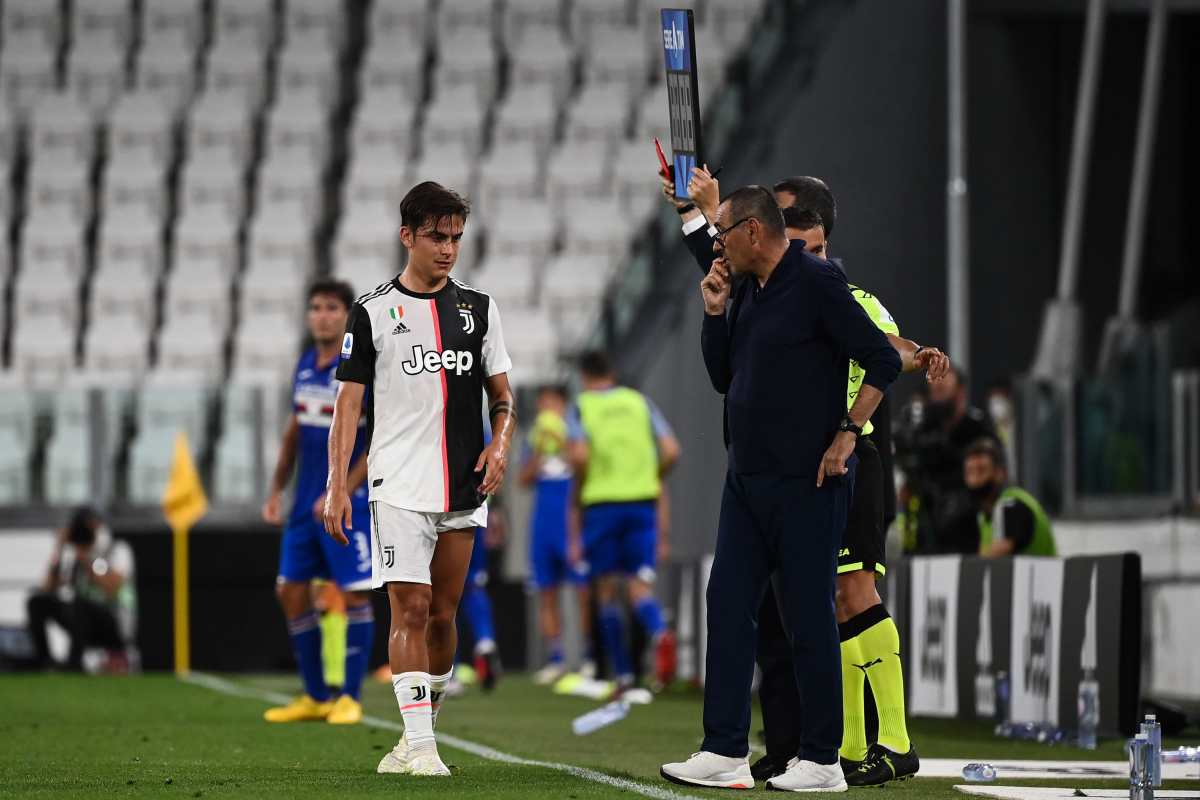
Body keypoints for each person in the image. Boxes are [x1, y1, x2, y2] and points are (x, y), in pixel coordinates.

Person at [667, 170, 946, 786]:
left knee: (809, 616)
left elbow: (880, 358)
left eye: (724, 232)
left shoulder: (818, 282)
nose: (718, 245)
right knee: (728, 603)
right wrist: (713, 313)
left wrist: (848, 432)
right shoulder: (746, 287)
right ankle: (724, 751)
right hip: (746, 478)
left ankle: (822, 760)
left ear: (754, 231)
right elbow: (723, 376)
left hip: (808, 481)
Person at [325, 181, 515, 778]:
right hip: (399, 485)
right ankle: (424, 746)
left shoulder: (479, 309)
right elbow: (348, 408)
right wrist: (336, 485)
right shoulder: (372, 312)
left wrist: (500, 445)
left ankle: (416, 736)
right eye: (437, 236)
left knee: (443, 616)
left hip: (464, 485)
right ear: (407, 236)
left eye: (456, 237)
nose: (448, 248)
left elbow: (503, 396)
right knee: (411, 608)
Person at [260, 279, 375, 725]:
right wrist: (276, 487)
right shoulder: (306, 364)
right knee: (290, 591)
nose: (322, 316)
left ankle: (350, 697)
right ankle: (315, 695)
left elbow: (376, 439)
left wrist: (340, 488)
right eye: (315, 308)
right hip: (304, 501)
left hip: (348, 500)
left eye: (331, 308)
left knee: (354, 593)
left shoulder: (359, 367)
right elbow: (294, 431)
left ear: (347, 316)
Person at [566, 351, 680, 690]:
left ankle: (625, 674)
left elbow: (580, 456)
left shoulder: (582, 406)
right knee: (639, 588)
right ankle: (660, 631)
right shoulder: (639, 402)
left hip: (602, 506)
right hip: (642, 503)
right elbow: (671, 450)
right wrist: (650, 475)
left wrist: (581, 486)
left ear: (584, 377)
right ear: (612, 373)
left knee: (605, 592)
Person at [520, 385, 593, 685]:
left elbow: (584, 466)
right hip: (543, 521)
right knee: (546, 590)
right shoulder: (534, 438)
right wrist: (539, 450)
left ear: (562, 405)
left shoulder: (576, 432)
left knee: (582, 591)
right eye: (542, 404)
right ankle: (557, 659)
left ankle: (588, 657)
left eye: (550, 403)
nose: (545, 409)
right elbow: (523, 479)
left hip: (570, 521)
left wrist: (561, 441)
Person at [26, 507, 135, 672]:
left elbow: (112, 589)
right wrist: (59, 549)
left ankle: (74, 664)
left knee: (80, 604)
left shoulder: (117, 549)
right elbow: (47, 588)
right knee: (37, 602)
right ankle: (44, 662)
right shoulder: (74, 554)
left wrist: (86, 558)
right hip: (81, 621)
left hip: (114, 622)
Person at [903, 367, 996, 554]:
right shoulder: (923, 429)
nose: (937, 398)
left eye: (943, 390)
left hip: (968, 523)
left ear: (960, 392)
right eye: (934, 392)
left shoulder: (977, 427)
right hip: (927, 523)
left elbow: (992, 474)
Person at [964, 438, 1057, 557]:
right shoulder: (984, 516)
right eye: (970, 473)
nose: (974, 480)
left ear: (1000, 473)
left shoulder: (1010, 504)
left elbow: (997, 555)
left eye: (981, 471)